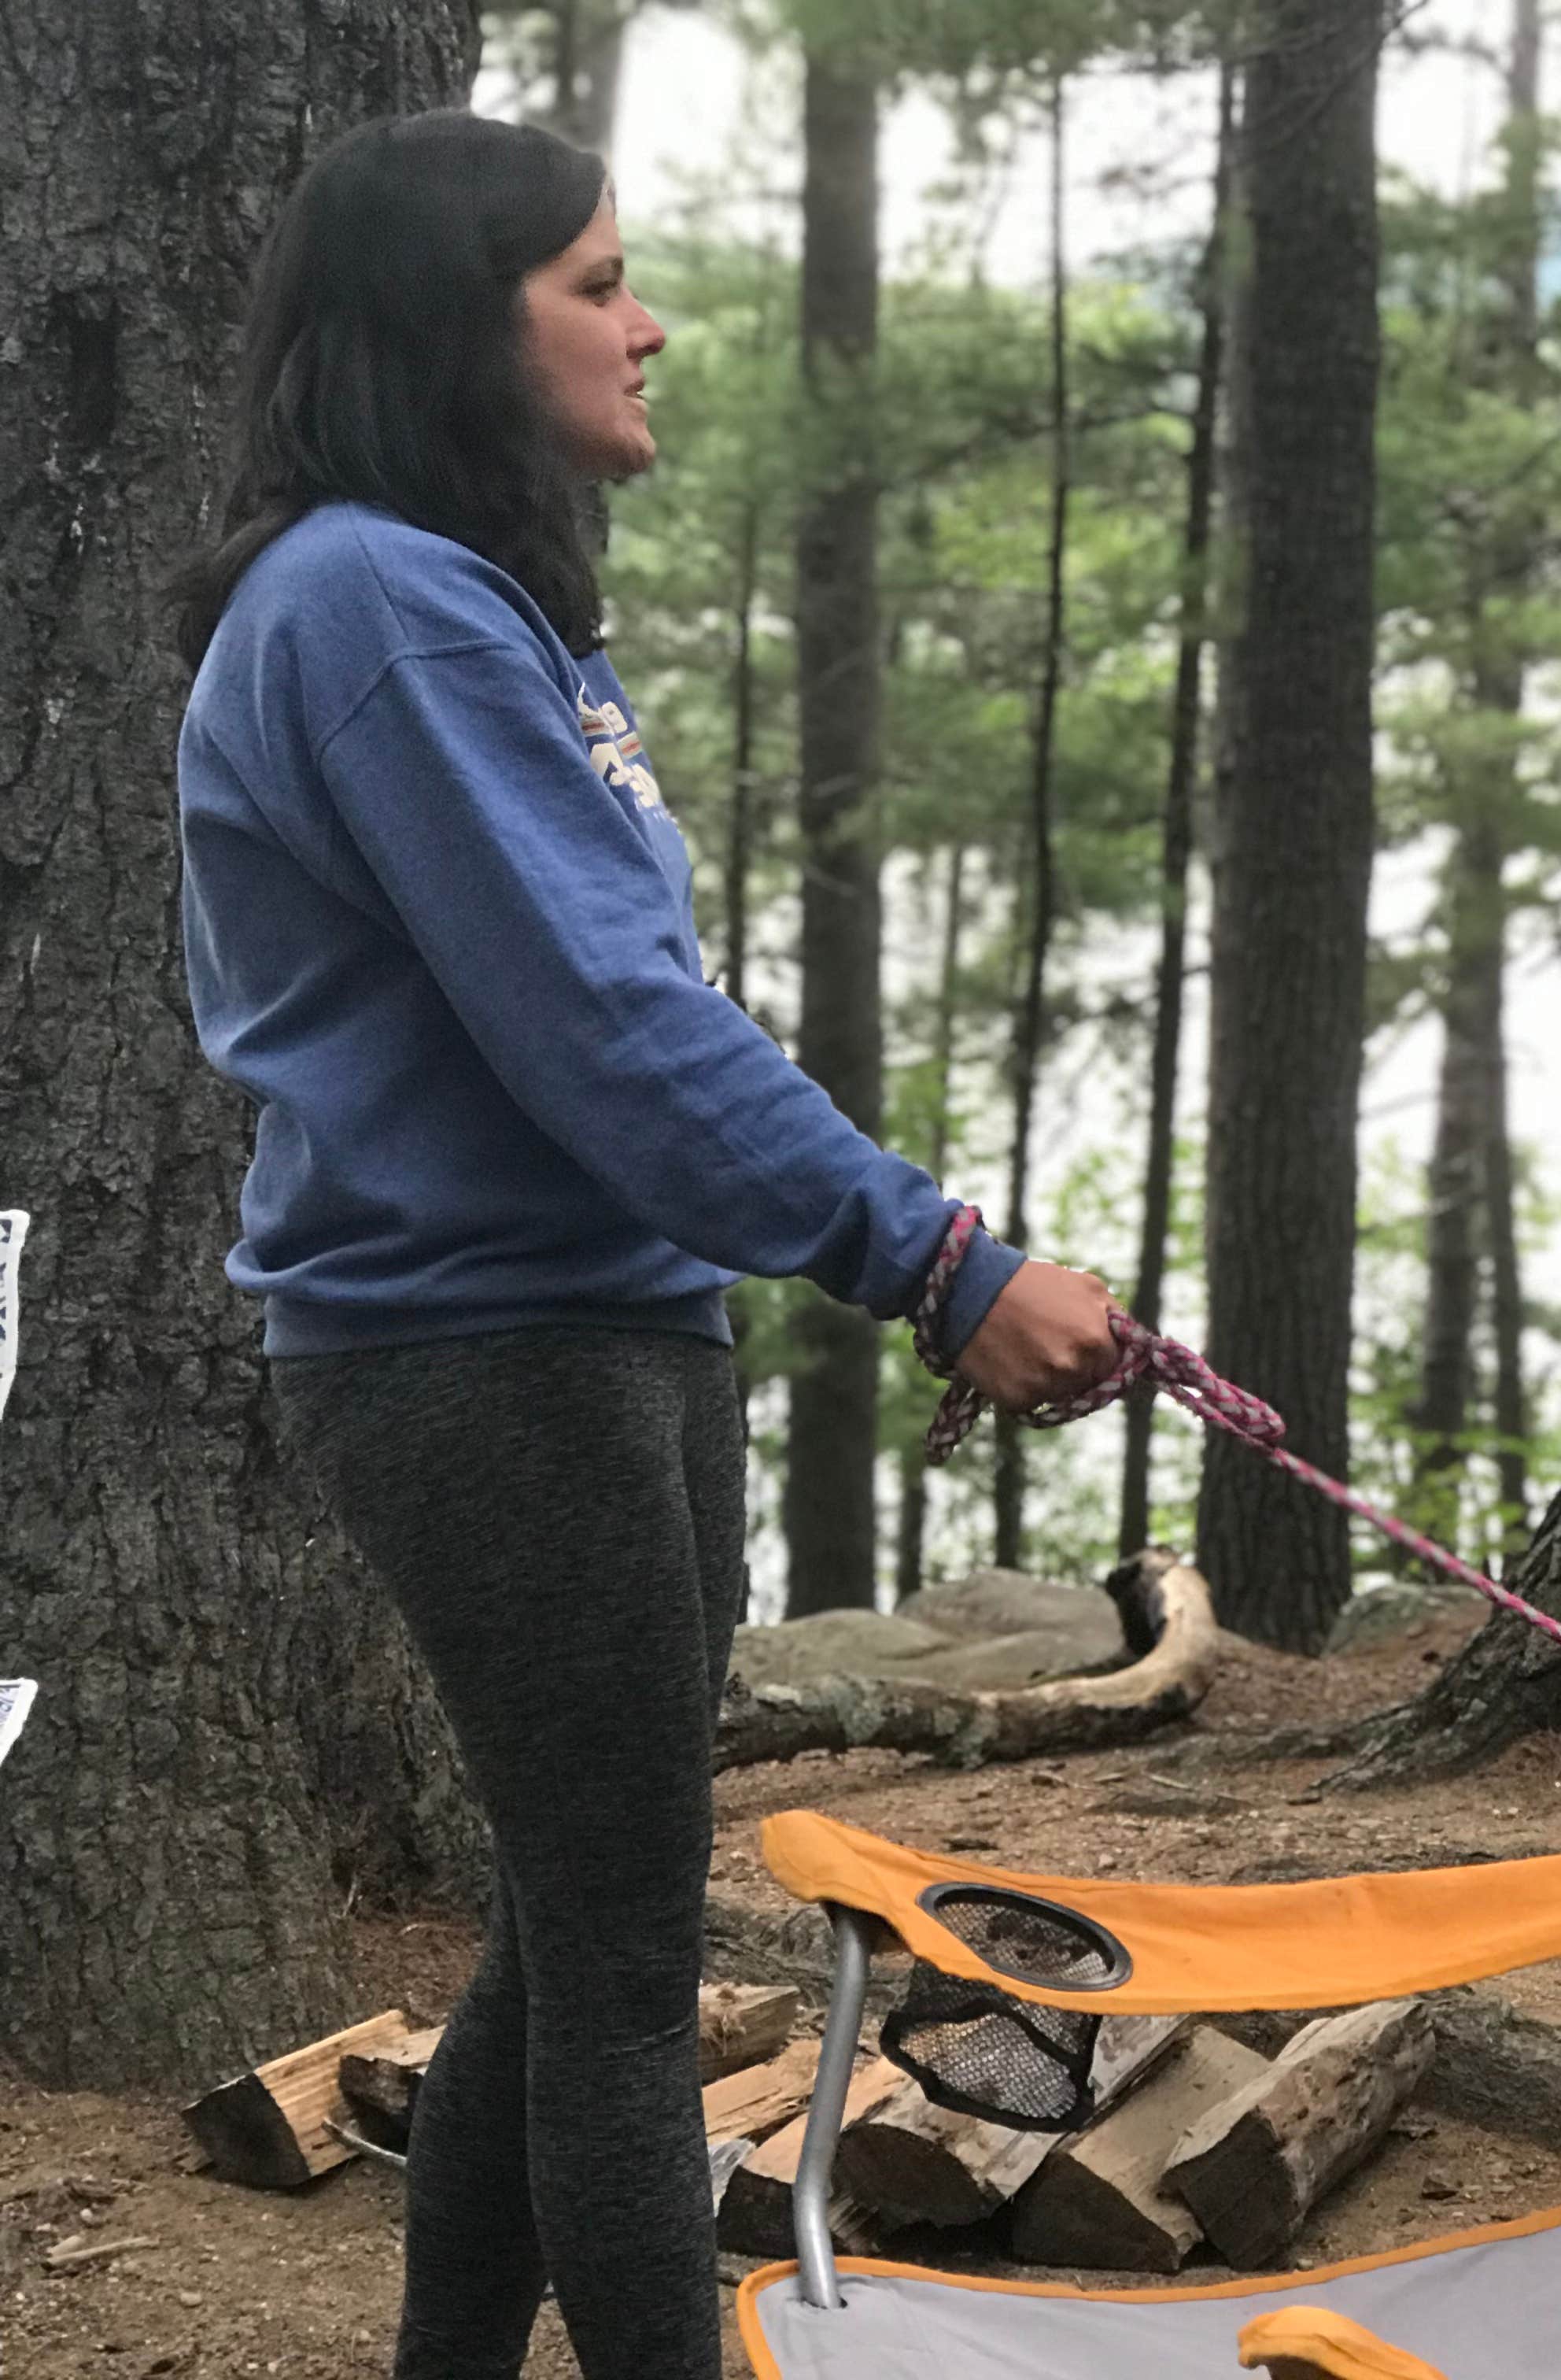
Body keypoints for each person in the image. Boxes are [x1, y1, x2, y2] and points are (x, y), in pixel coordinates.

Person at [173, 114, 1118, 2379]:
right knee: (614, 1974)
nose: (648, 316)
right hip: (484, 1359)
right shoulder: (373, 610)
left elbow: (635, 1009)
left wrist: (901, 1246)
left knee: (559, 1923)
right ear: (454, 328)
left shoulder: (447, 596)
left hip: (601, 1332)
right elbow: (604, 1030)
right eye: (598, 278)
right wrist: (936, 1260)